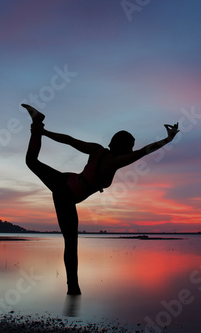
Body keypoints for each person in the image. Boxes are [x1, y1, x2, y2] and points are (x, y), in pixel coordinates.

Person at [22, 104, 179, 295]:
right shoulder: (114, 161)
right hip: (66, 194)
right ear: (123, 147)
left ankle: (37, 124)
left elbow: (70, 140)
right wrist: (167, 140)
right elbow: (143, 152)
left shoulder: (97, 150)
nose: (131, 151)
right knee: (70, 244)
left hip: (66, 180)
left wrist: (44, 133)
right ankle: (73, 290)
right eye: (129, 147)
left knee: (31, 161)